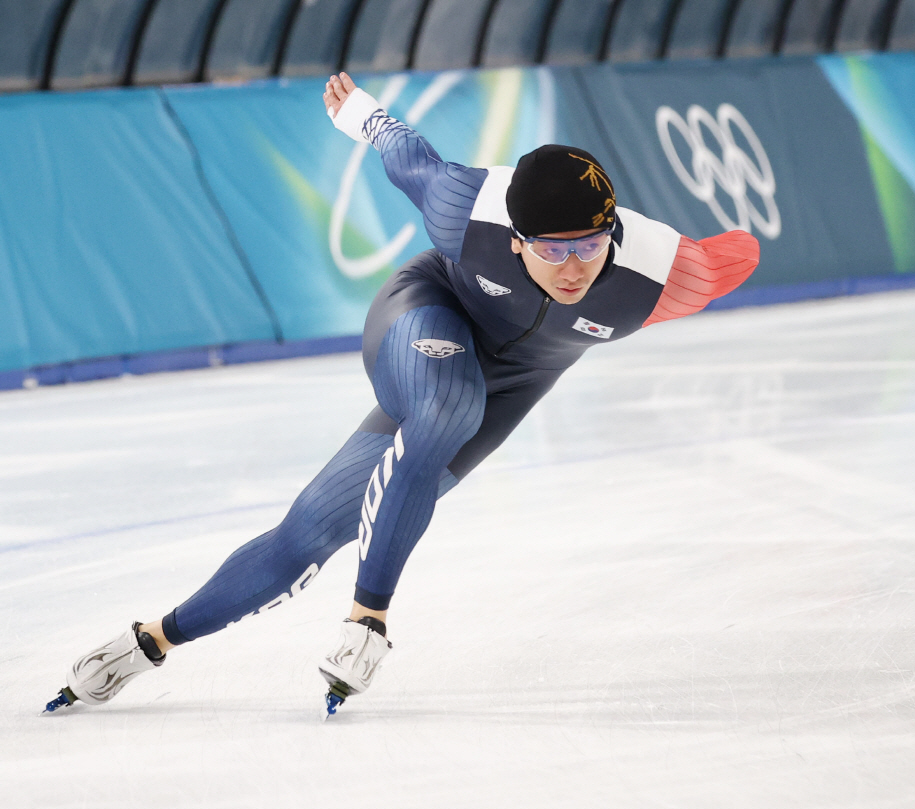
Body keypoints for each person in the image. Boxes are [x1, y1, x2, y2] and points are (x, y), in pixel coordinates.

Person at [45, 73, 760, 717]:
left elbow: (739, 255)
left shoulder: (669, 278)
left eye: (590, 245)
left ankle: (146, 643)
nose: (574, 267)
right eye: (551, 249)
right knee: (449, 405)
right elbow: (405, 154)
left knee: (307, 538)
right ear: (514, 241)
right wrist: (362, 113)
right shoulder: (464, 210)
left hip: (517, 384)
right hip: (424, 314)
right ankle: (368, 620)